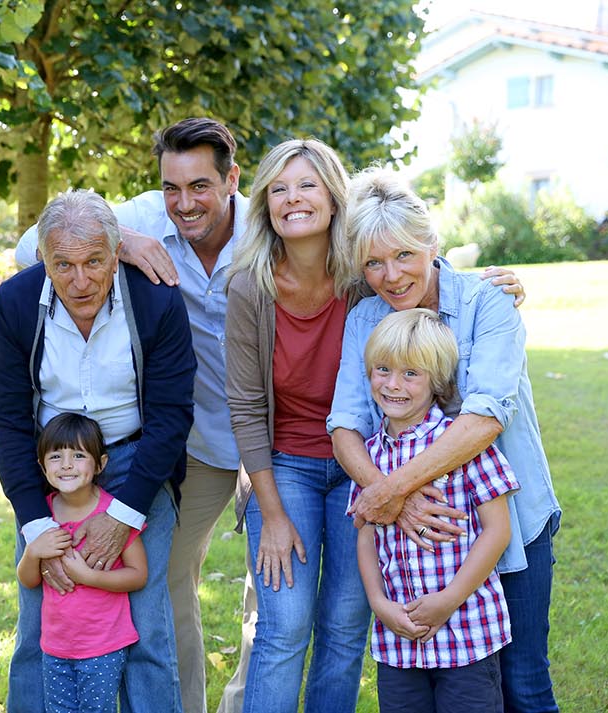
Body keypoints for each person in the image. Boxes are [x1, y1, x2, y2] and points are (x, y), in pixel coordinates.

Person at [15, 117, 257, 713]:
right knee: (165, 594)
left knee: (275, 598)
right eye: (171, 188)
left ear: (232, 179)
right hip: (194, 440)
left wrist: (453, 280)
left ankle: (247, 703)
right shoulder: (145, 219)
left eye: (200, 186)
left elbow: (363, 251)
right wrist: (119, 241)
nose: (183, 203)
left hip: (274, 436)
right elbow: (37, 246)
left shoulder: (268, 223)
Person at [329, 168, 562, 713]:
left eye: (405, 255)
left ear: (432, 245)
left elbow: (484, 419)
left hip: (508, 520)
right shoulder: (366, 317)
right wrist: (395, 498)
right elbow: (345, 425)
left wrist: (394, 491)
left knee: (523, 685)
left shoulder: (488, 304)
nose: (391, 275)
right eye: (374, 263)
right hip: (423, 548)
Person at [0, 188, 196, 713]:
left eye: (94, 262)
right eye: (64, 265)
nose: (81, 281)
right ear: (43, 259)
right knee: (40, 624)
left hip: (135, 461)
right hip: (52, 470)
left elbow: (172, 417)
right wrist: (36, 526)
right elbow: (7, 422)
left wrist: (125, 514)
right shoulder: (14, 303)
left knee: (146, 627)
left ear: (116, 251)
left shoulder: (155, 300)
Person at [222, 138, 371, 713]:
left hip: (361, 467)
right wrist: (274, 514)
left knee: (344, 626)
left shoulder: (365, 276)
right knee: (283, 628)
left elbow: (427, 275)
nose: (292, 199)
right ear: (265, 205)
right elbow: (245, 408)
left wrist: (494, 284)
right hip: (285, 470)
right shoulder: (249, 287)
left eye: (307, 185)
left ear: (334, 198)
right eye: (279, 189)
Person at [352, 308, 519, 713]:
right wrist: (378, 602)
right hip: (398, 641)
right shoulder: (370, 457)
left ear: (438, 381)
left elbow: (498, 532)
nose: (393, 384)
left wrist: (448, 600)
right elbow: (365, 534)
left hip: (467, 634)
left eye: (411, 374)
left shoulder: (461, 445)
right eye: (383, 370)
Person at [18, 413, 150, 713]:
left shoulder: (112, 517)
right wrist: (33, 552)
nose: (66, 464)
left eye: (78, 455)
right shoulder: (42, 515)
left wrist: (89, 576)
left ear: (101, 464)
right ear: (42, 466)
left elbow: (138, 575)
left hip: (102, 646)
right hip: (54, 645)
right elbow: (28, 580)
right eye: (55, 456)